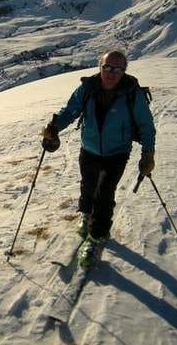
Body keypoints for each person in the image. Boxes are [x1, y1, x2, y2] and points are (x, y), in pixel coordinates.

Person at [42, 50, 156, 267]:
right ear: (100, 67)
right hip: (89, 148)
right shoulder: (87, 88)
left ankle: (96, 237)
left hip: (117, 153)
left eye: (118, 69)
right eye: (107, 67)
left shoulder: (132, 93)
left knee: (104, 193)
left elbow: (146, 126)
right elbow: (70, 111)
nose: (112, 73)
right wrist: (55, 126)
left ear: (124, 71)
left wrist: (148, 153)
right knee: (88, 186)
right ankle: (86, 214)